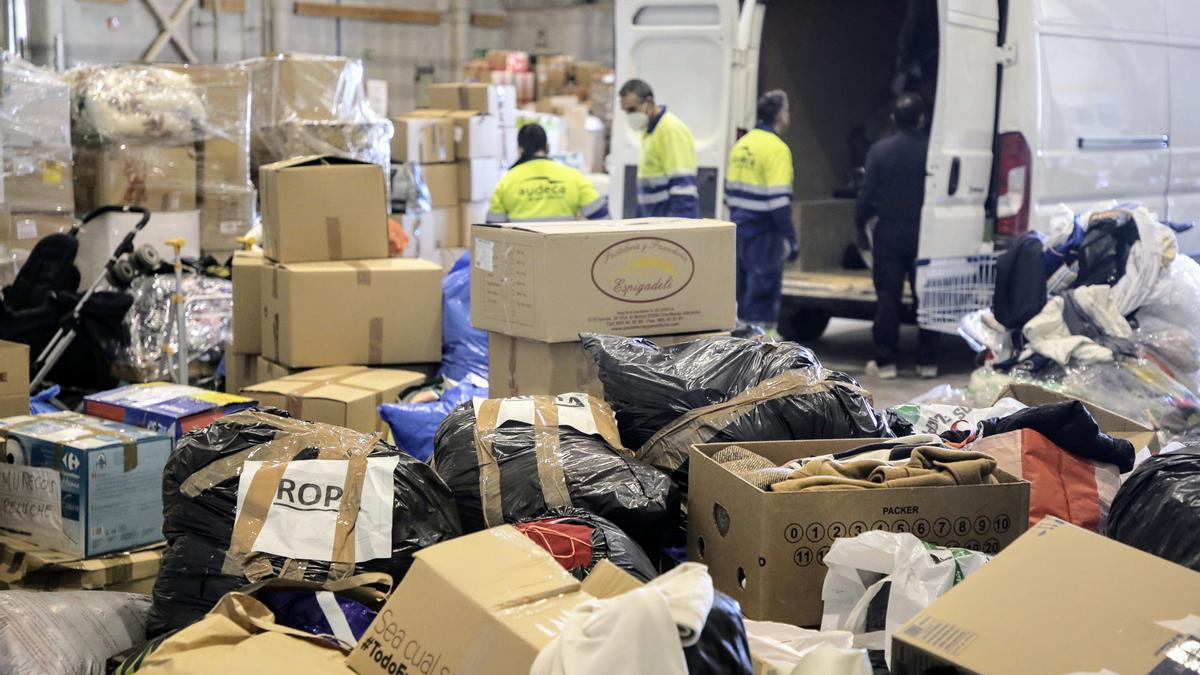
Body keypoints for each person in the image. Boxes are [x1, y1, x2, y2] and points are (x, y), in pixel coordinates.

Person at [857, 93, 939, 380]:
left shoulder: (879, 151)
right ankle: (927, 362)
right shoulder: (934, 151)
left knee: (887, 297)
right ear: (922, 119)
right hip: (925, 232)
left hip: (889, 232)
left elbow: (866, 195)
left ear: (893, 119)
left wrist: (859, 226)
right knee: (927, 298)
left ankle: (886, 362)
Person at [724, 90, 799, 334]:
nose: (788, 116)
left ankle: (744, 344)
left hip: (739, 229)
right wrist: (791, 237)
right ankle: (762, 347)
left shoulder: (742, 144)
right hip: (764, 233)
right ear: (779, 116)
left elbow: (729, 194)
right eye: (786, 110)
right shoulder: (777, 149)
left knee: (743, 291)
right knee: (763, 291)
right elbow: (778, 203)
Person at [486, 123, 609, 223]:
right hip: (564, 251)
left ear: (519, 149)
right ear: (547, 147)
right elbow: (603, 217)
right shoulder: (573, 176)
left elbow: (493, 227)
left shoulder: (507, 181)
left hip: (521, 251)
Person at [618, 79, 700, 218]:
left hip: (668, 224)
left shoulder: (671, 130)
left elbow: (683, 188)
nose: (630, 115)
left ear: (648, 101)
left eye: (632, 109)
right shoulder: (649, 130)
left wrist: (675, 231)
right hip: (654, 219)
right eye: (626, 111)